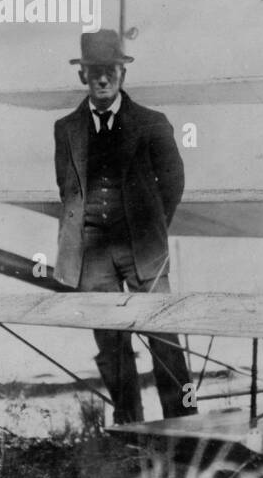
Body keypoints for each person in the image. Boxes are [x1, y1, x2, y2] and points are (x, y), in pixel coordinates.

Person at [53, 30, 194, 424]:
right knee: (111, 342)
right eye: (94, 71)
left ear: (122, 74)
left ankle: (184, 422)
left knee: (164, 336)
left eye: (110, 71)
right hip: (93, 253)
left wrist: (151, 229)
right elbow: (68, 189)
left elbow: (173, 183)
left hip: (143, 250)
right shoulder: (65, 129)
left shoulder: (151, 124)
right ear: (83, 75)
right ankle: (129, 424)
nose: (102, 79)